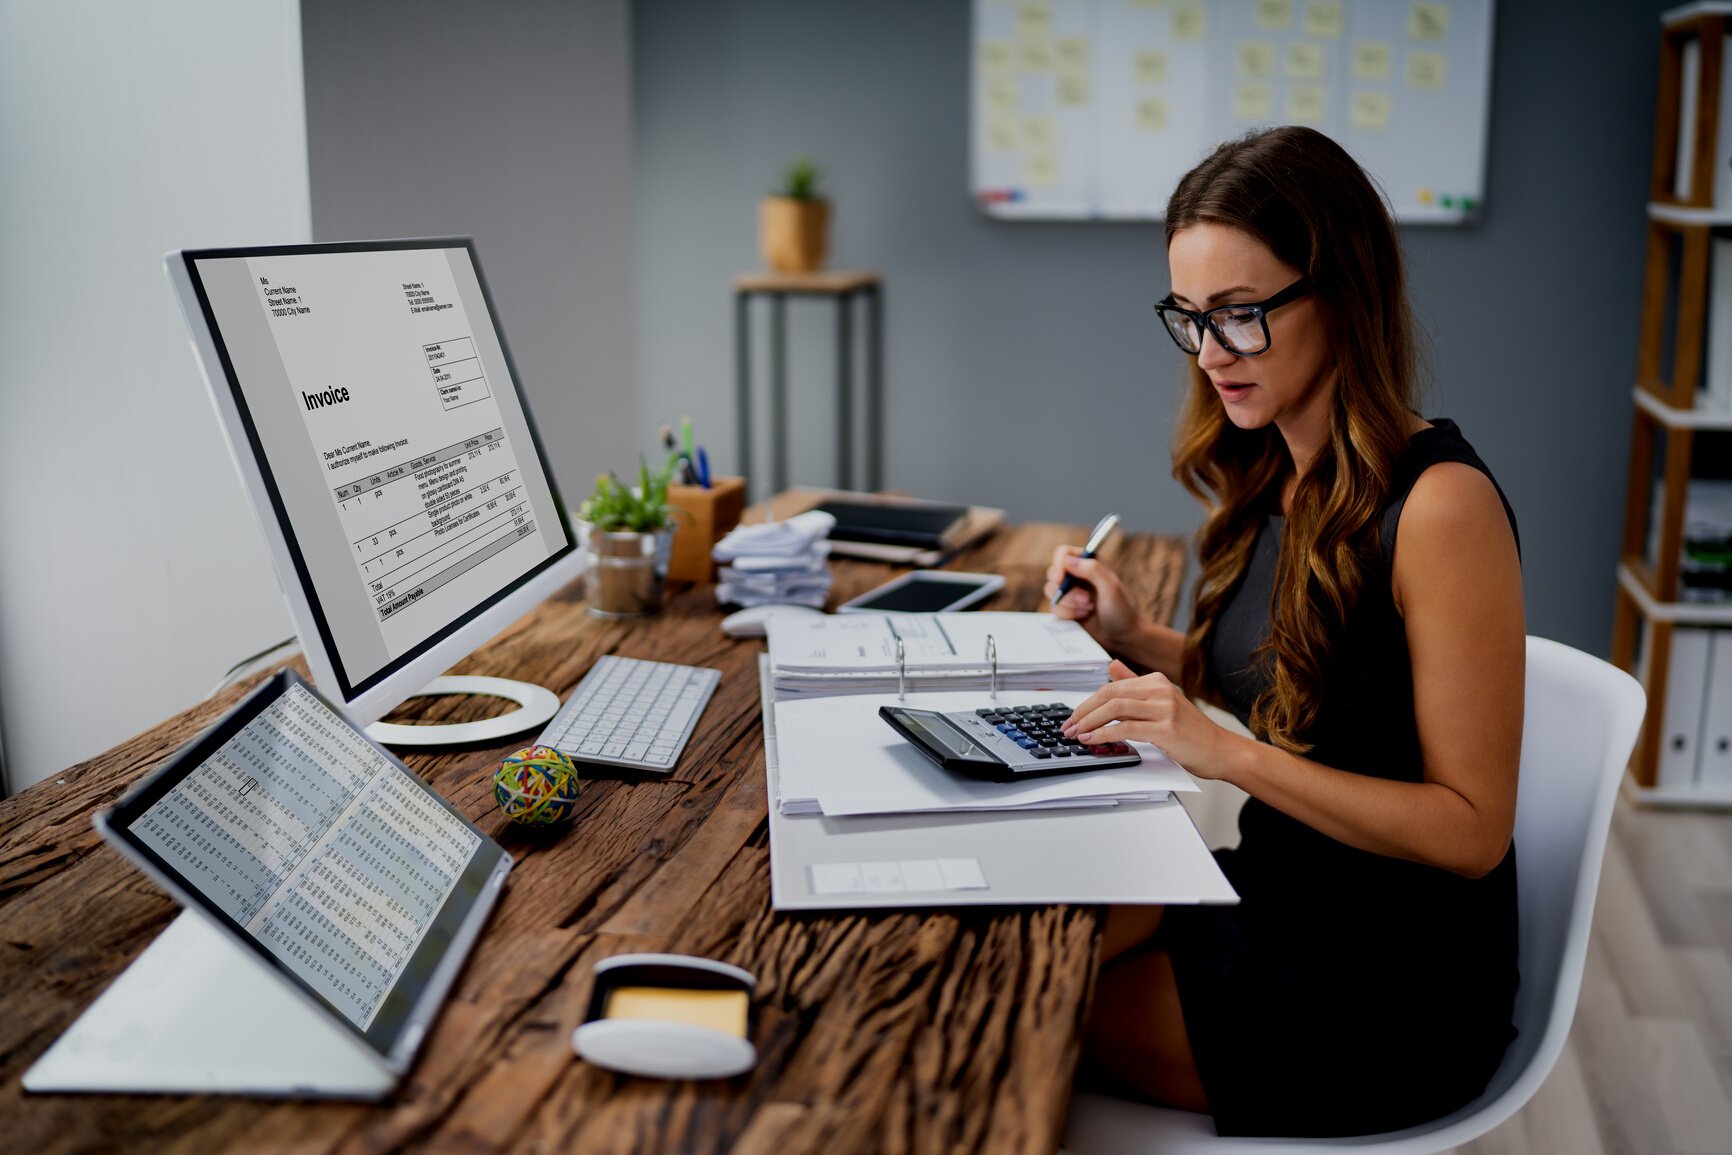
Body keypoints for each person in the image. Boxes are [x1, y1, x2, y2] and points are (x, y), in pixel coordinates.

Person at [1046, 125, 1524, 1139]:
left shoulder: (1439, 507)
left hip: (1387, 984)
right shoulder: (1279, 468)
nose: (1212, 354)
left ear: (1341, 292)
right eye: (1191, 317)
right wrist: (1144, 642)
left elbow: (1471, 831)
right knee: (1022, 937)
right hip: (1278, 892)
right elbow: (1315, 690)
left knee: (1019, 1010)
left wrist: (1223, 755)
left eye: (1242, 315)